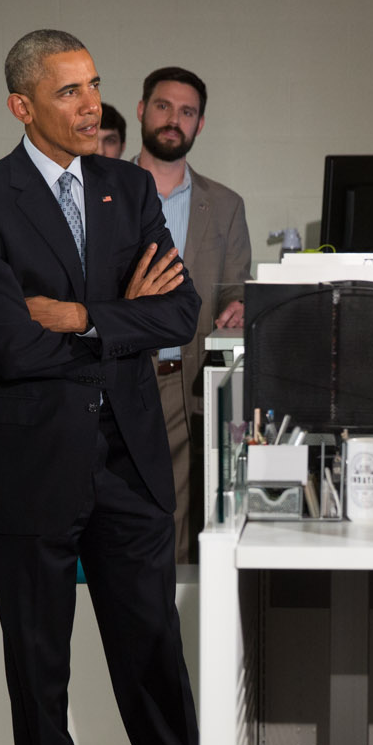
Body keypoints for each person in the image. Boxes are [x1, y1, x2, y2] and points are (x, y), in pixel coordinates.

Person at [0, 29, 202, 745]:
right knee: (39, 675)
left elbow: (179, 308)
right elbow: (12, 343)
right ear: (23, 106)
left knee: (157, 669)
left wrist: (86, 319)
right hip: (32, 468)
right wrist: (118, 317)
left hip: (129, 465)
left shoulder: (128, 186)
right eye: (69, 93)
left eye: (95, 86)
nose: (93, 105)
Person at [134, 65, 251, 563]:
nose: (173, 120)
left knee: (180, 526)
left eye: (186, 112)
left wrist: (240, 308)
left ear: (200, 124)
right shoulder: (101, 194)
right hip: (118, 379)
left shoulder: (223, 205)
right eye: (163, 106)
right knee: (120, 520)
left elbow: (235, 290)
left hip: (188, 383)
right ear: (142, 110)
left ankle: (173, 636)